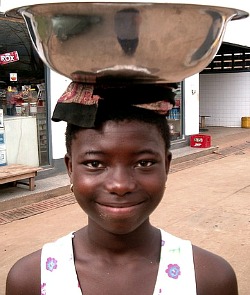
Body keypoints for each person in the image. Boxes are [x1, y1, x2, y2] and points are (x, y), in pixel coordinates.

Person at [6, 83, 238, 295]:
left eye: (144, 163)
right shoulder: (30, 280)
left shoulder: (209, 280)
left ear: (166, 166)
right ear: (70, 168)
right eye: (95, 164)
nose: (120, 185)